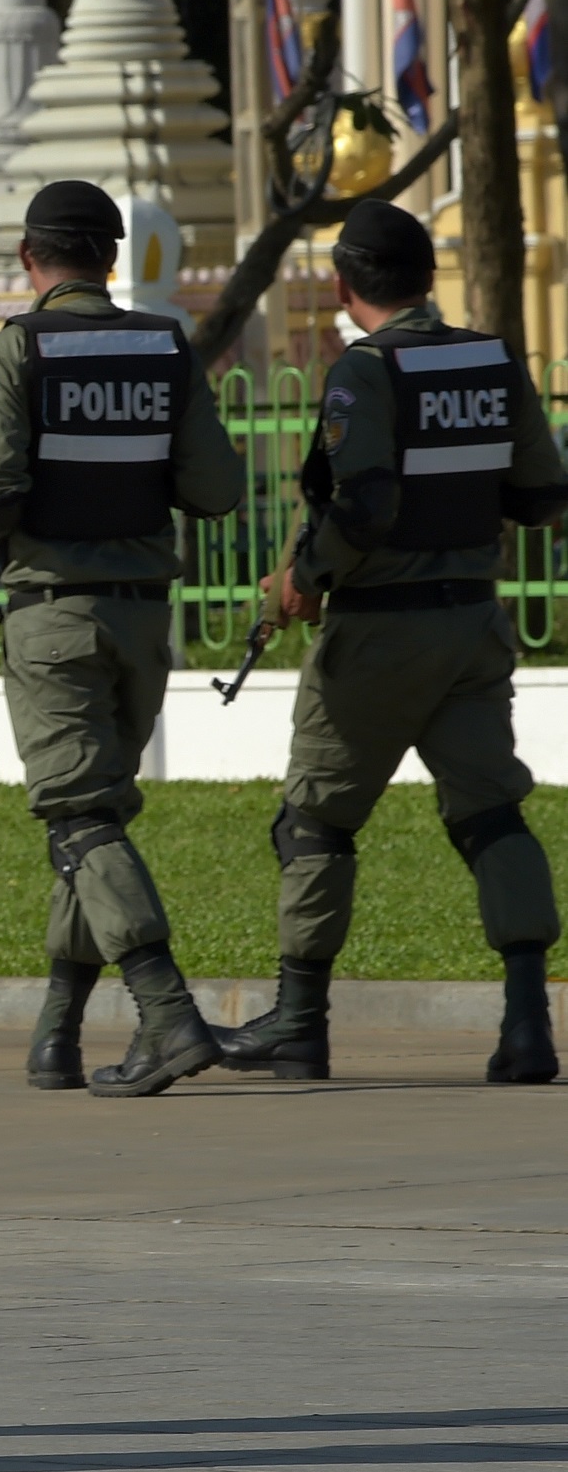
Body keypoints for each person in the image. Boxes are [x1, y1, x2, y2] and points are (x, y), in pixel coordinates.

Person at [215, 199, 568, 1083]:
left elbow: (364, 505)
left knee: (315, 824)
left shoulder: (363, 371)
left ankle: (301, 1025)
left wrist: (305, 574)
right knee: (491, 816)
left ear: (344, 287)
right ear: (427, 278)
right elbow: (539, 495)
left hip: (378, 633)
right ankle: (529, 1025)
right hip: (472, 626)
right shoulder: (493, 360)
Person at [0, 181, 245, 1096]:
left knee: (79, 819)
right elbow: (218, 489)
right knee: (96, 817)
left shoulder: (18, 347)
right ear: (111, 260)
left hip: (54, 616)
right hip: (144, 616)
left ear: (28, 258)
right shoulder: (165, 346)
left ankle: (168, 1014)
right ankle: (58, 1032)